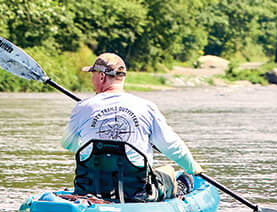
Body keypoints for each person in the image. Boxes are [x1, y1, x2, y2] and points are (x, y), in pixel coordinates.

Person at [62, 53, 202, 201]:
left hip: (90, 188)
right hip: (136, 192)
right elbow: (170, 145)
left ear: (102, 76)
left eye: (93, 74)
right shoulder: (146, 107)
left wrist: (96, 146)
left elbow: (68, 144)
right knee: (170, 171)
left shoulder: (82, 107)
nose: (91, 79)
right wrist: (192, 166)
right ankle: (180, 187)